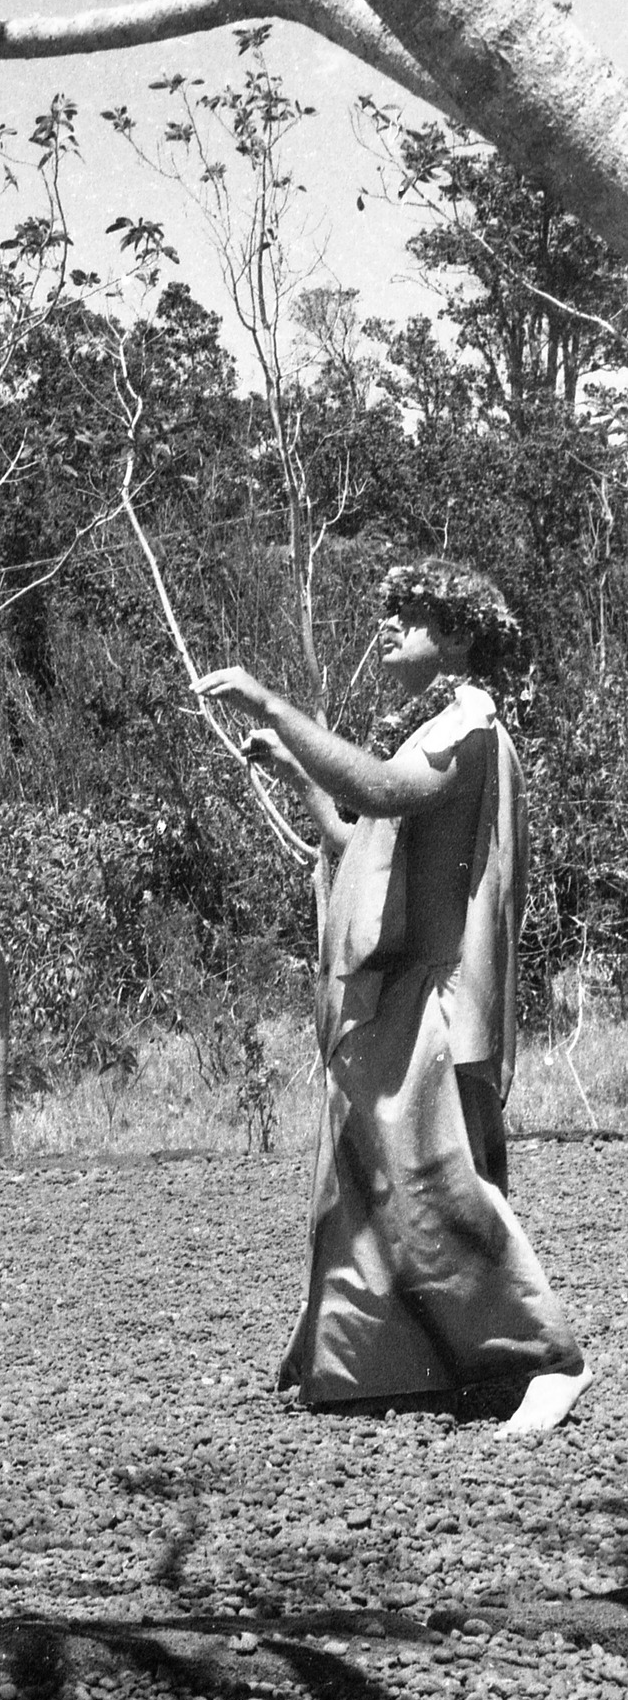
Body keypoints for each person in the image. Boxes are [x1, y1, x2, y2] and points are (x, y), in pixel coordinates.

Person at [196, 558, 592, 1436]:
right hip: (400, 999)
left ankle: (549, 1356)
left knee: (439, 1185)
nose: (387, 628)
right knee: (370, 1188)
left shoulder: (467, 725)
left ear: (454, 637)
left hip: (434, 1004)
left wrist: (274, 709)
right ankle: (395, 1363)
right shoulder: (434, 728)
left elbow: (378, 788)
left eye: (407, 617)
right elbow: (358, 831)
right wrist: (297, 768)